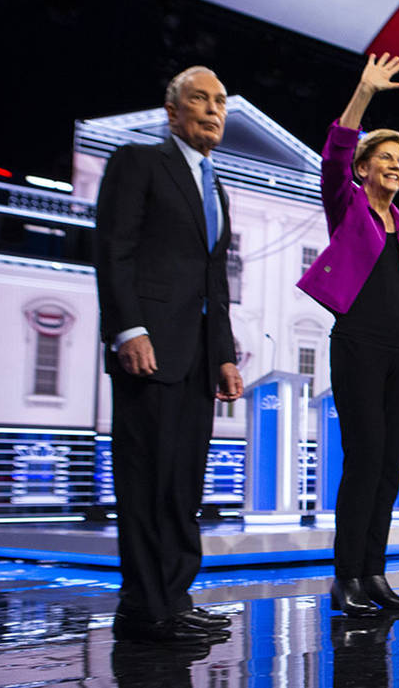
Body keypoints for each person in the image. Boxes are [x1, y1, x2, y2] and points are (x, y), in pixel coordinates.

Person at [95, 66, 243, 644]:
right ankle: (144, 606)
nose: (213, 110)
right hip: (149, 348)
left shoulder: (216, 187)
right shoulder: (138, 162)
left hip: (197, 359)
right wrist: (128, 329)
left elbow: (214, 279)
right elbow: (114, 248)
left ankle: (174, 598)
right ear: (172, 111)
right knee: (147, 481)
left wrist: (224, 354)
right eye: (200, 99)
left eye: (220, 102)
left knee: (184, 485)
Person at [296, 53, 399, 616]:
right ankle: (347, 578)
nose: (396, 166)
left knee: (389, 466)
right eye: (386, 157)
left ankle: (375, 574)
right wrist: (364, 93)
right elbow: (334, 155)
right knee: (364, 459)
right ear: (363, 168)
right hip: (358, 344)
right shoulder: (348, 206)